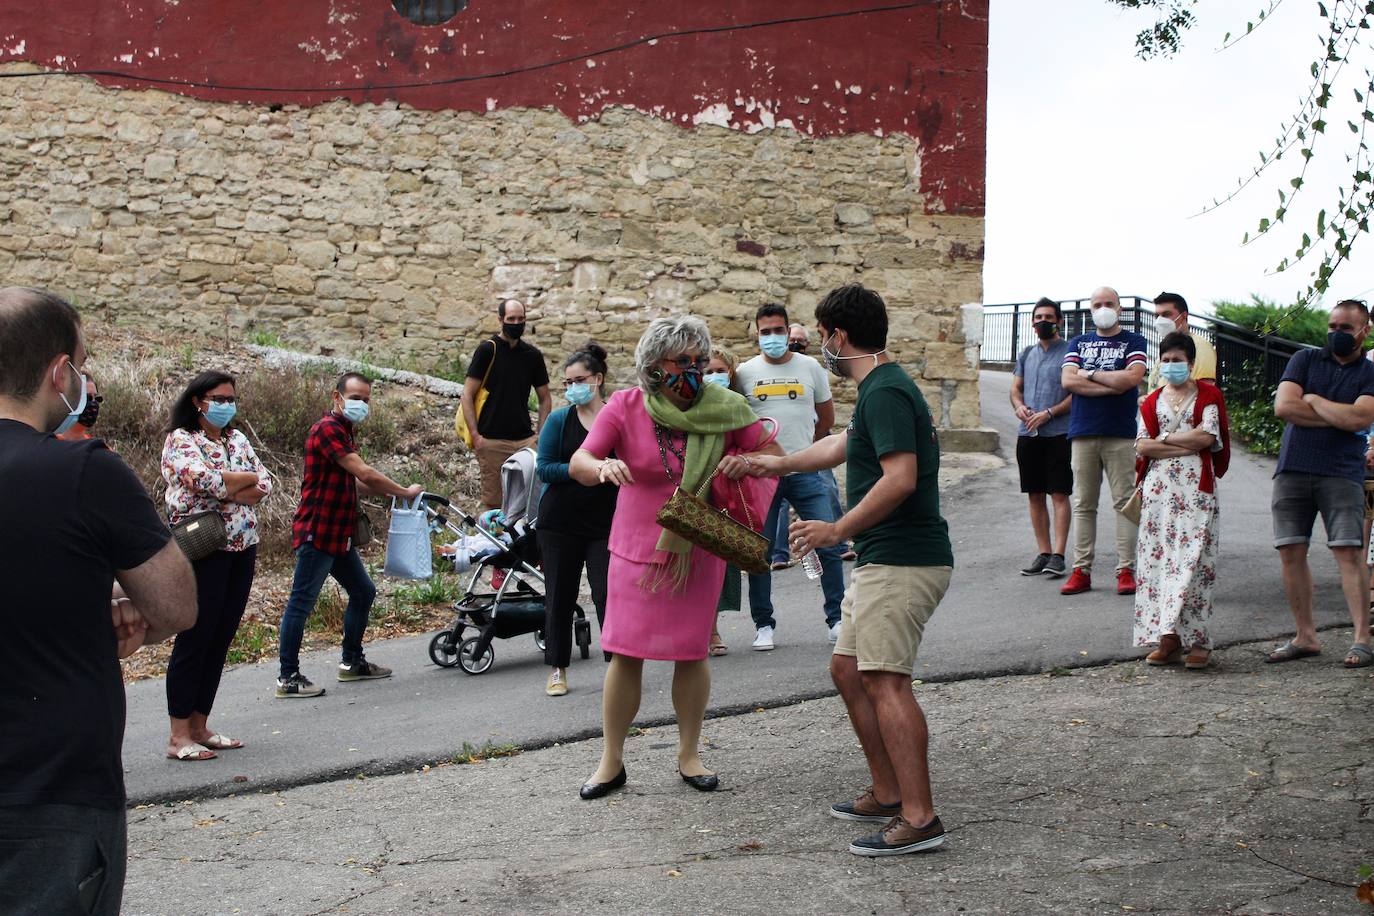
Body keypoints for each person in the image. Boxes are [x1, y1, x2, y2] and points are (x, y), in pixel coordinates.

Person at [0, 287, 196, 916]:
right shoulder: (84, 471)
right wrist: (125, 596)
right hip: (49, 786)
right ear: (60, 372)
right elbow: (175, 605)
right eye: (80, 366)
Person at [747, 284, 954, 857]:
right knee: (847, 669)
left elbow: (900, 477)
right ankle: (889, 792)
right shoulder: (877, 391)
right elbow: (843, 444)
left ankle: (919, 816)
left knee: (886, 679)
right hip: (887, 557)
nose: (821, 349)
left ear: (839, 336)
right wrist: (781, 462)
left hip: (904, 558)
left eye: (822, 336)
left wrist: (836, 530)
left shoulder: (885, 391)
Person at [568, 316, 779, 800]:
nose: (694, 370)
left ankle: (690, 754)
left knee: (692, 652)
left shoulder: (727, 408)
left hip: (698, 549)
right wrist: (602, 466)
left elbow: (773, 457)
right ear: (653, 366)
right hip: (633, 552)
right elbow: (581, 460)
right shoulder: (625, 406)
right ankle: (611, 761)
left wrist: (745, 462)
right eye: (682, 361)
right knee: (626, 655)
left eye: (699, 360)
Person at [276, 372, 423, 698]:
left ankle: (352, 662)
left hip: (337, 534)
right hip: (319, 531)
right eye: (355, 398)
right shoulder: (328, 428)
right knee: (301, 603)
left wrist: (387, 494)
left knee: (363, 591)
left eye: (366, 400)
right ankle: (287, 677)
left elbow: (353, 480)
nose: (361, 404)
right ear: (337, 397)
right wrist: (404, 491)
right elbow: (364, 472)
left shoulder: (344, 430)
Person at [160, 371, 272, 760]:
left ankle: (199, 724)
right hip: (203, 549)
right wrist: (240, 483)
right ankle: (178, 736)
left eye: (231, 398)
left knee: (221, 635)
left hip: (242, 546)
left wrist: (233, 484)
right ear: (198, 401)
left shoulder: (237, 439)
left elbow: (265, 482)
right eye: (218, 398)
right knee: (196, 635)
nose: (226, 405)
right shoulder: (180, 441)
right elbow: (201, 479)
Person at [1268, 298, 1374, 669]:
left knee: (1348, 553)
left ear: (1364, 331)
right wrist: (1338, 416)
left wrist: (1311, 399)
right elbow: (1284, 408)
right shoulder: (1304, 360)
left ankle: (1362, 638)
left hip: (1342, 473)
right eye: (1332, 327)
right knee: (1290, 551)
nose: (1336, 334)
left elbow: (1362, 417)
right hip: (1293, 469)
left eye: (1345, 328)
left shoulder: (1369, 372)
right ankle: (1305, 636)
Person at [736, 303, 845, 649]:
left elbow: (825, 418)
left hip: (806, 470)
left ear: (788, 331)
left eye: (778, 330)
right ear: (756, 333)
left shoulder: (810, 368)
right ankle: (763, 625)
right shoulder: (744, 373)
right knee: (759, 553)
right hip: (762, 476)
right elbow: (736, 422)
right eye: (765, 331)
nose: (772, 337)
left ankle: (837, 618)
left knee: (826, 539)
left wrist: (808, 451)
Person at [1133, 333, 1231, 669]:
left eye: (1179, 360)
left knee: (1195, 563)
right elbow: (1143, 446)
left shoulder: (1208, 395)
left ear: (1190, 363)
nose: (1172, 365)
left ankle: (1198, 640)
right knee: (1160, 565)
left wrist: (1166, 439)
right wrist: (1184, 444)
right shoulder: (1150, 401)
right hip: (1159, 493)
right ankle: (1168, 638)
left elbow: (1208, 437)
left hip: (1196, 492)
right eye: (1167, 359)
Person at [535, 343, 617, 697]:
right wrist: (585, 469)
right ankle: (557, 667)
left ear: (597, 379)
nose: (571, 389)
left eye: (578, 380)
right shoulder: (559, 419)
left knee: (607, 593)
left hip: (605, 522)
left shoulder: (616, 417)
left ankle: (618, 665)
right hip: (560, 522)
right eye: (566, 383)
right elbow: (545, 468)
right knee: (560, 595)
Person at [1059, 286, 1148, 596]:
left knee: (1124, 502)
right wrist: (1112, 383)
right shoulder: (1078, 342)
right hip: (1082, 432)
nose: (1103, 308)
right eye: (1097, 304)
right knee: (1083, 504)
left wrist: (1090, 375)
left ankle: (1126, 570)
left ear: (1119, 308)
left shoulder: (1134, 341)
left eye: (1109, 303)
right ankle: (1081, 570)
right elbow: (1068, 381)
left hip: (1120, 433)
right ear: (1090, 309)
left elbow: (1132, 379)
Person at [461, 299, 553, 510]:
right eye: (511, 319)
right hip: (491, 441)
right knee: (494, 505)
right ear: (500, 320)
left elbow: (545, 397)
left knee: (531, 501)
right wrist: (476, 436)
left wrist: (541, 434)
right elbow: (467, 393)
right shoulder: (487, 351)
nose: (516, 323)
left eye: (520, 319)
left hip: (525, 441)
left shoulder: (533, 356)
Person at [1010, 297, 1073, 578]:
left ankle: (1059, 555)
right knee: (1035, 494)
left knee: (1058, 493)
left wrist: (1049, 413)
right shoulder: (1026, 354)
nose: (1043, 322)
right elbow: (1015, 389)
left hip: (1058, 433)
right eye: (1038, 318)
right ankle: (1043, 552)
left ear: (1059, 321)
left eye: (1049, 317)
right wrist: (1019, 406)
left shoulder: (1071, 352)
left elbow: (1076, 394)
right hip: (1028, 434)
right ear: (1032, 322)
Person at [705, 346, 742, 657]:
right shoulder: (691, 407)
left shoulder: (737, 406)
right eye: (708, 371)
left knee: (717, 564)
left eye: (719, 370)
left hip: (725, 492)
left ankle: (712, 629)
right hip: (696, 490)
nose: (714, 376)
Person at [1146, 292, 1217, 389]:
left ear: (1184, 316)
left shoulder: (1200, 347)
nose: (1160, 320)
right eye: (1157, 316)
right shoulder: (1169, 346)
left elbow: (1206, 390)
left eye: (1166, 314)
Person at [56, 374, 100, 442]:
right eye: (88, 397)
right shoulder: (47, 445)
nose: (93, 403)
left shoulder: (98, 449)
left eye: (97, 398)